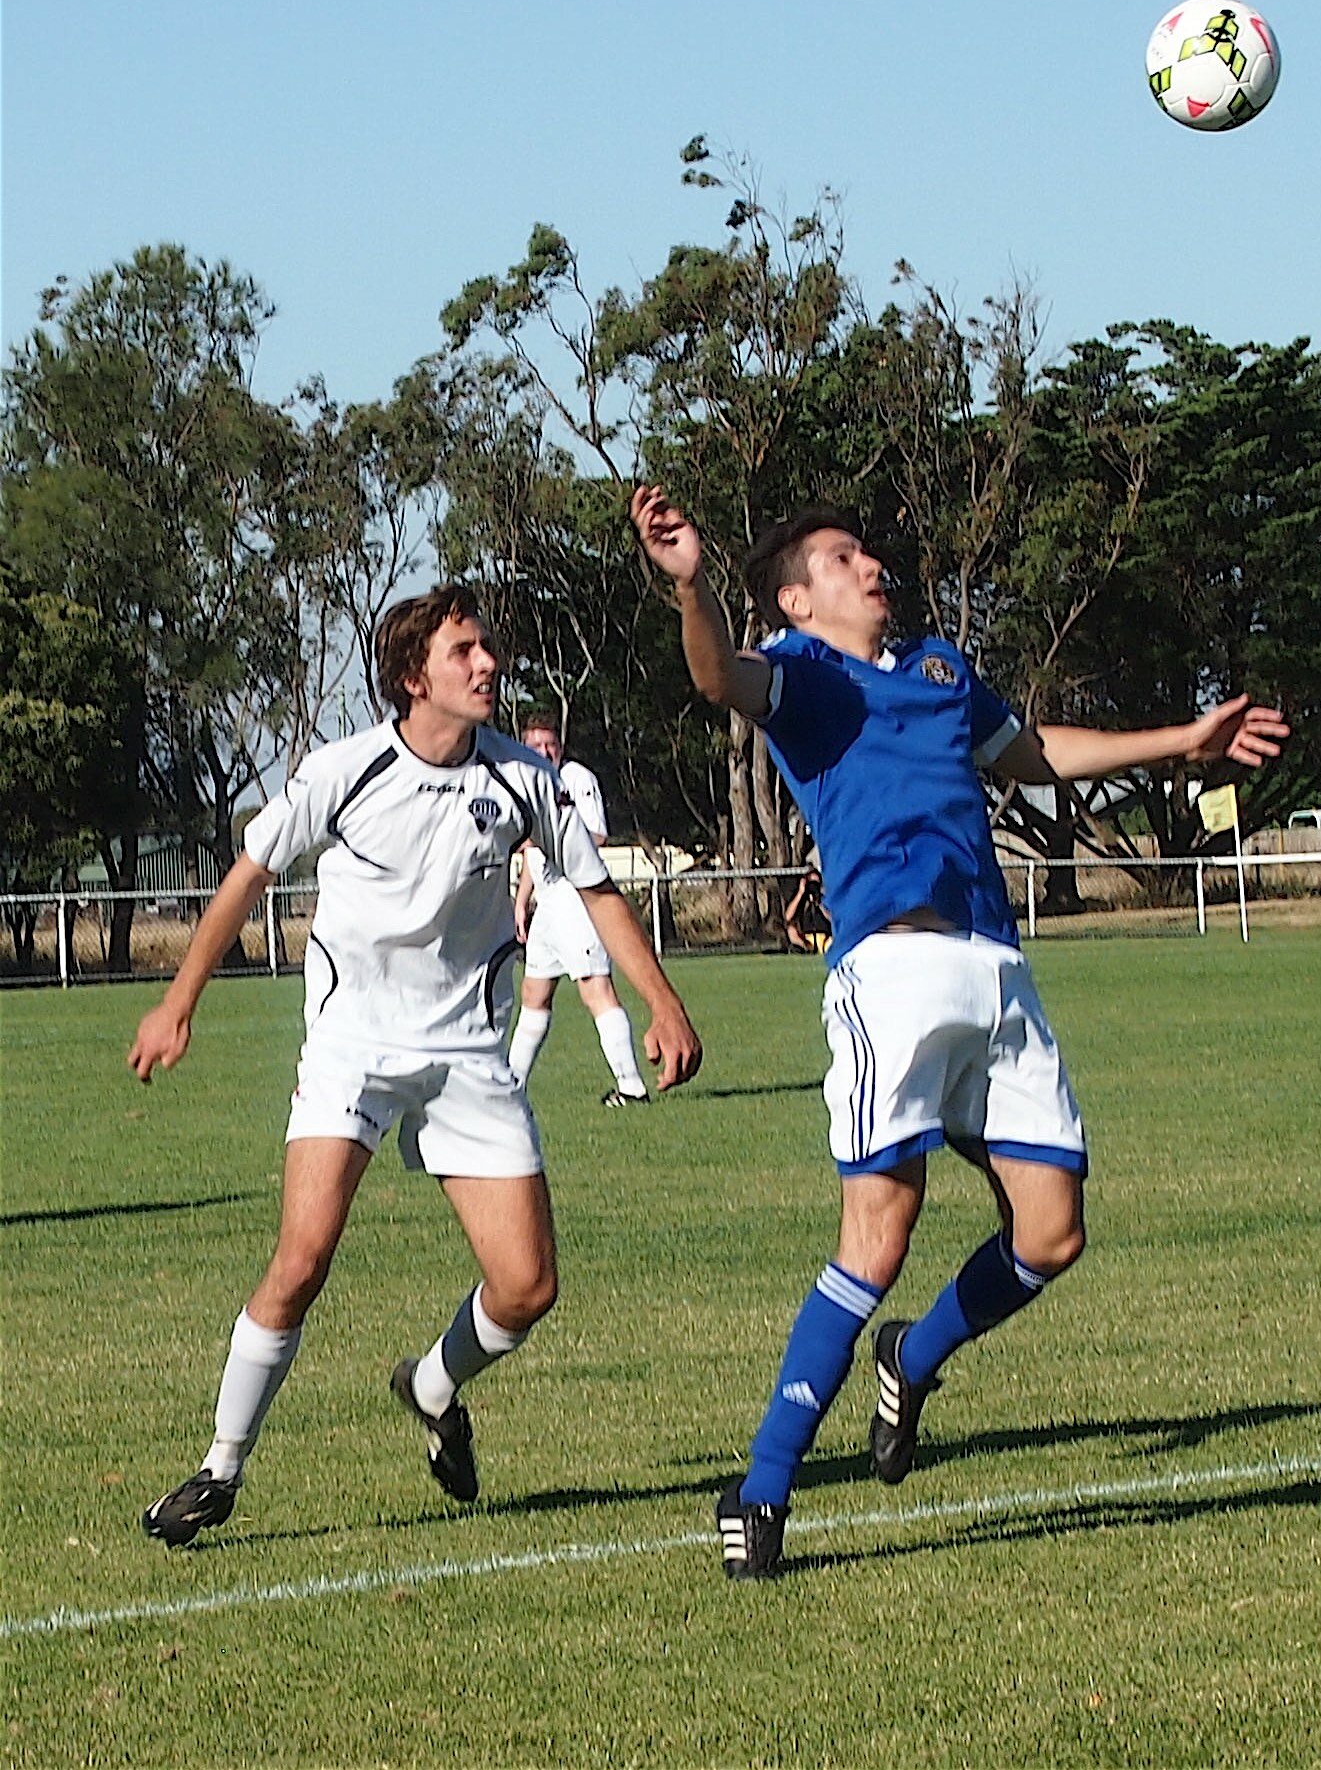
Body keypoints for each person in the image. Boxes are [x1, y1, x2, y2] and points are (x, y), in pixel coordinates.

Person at [629, 484, 1288, 1580]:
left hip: (996, 969)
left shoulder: (937, 668)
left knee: (1051, 1232)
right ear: (795, 599)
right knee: (876, 1242)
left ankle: (914, 1358)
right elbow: (713, 677)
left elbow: (1027, 752)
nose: (869, 564)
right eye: (842, 558)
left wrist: (1184, 738)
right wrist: (691, 583)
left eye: (866, 552)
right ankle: (760, 1488)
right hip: (890, 973)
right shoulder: (801, 677)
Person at [128, 583, 701, 1547]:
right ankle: (218, 1471)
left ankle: (431, 1385)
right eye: (465, 651)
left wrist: (662, 998)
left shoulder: (524, 779)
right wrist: (179, 999)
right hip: (351, 1046)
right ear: (412, 676)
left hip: (466, 1053)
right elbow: (247, 879)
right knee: (302, 1259)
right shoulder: (341, 771)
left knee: (526, 1288)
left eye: (488, 649)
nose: (487, 666)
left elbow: (597, 893)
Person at [507, 712, 651, 1107]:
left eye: (549, 744)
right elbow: (531, 860)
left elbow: (597, 834)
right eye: (535, 745)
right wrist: (522, 903)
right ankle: (510, 1088)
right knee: (534, 994)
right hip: (549, 906)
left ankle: (631, 1086)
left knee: (596, 990)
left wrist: (539, 841)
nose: (543, 751)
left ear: (560, 746)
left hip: (576, 898)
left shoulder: (576, 779)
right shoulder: (525, 781)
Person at [783, 868, 831, 954]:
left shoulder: (825, 900)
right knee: (791, 929)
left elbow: (832, 918)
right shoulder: (801, 901)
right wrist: (801, 892)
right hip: (807, 940)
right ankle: (806, 950)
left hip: (826, 939)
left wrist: (819, 903)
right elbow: (787, 917)